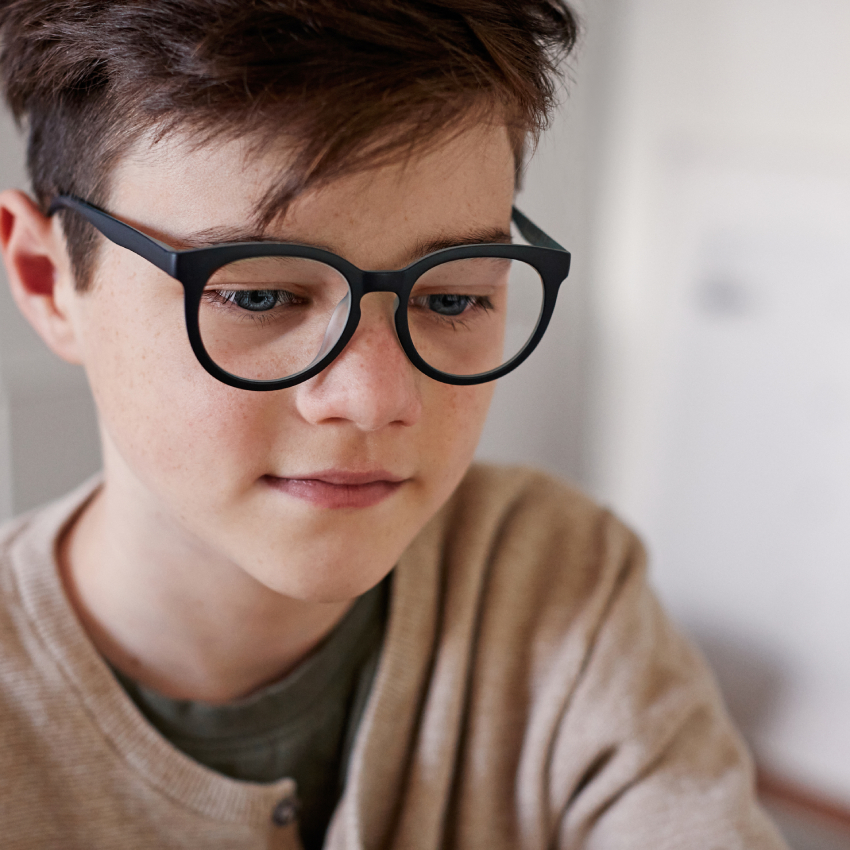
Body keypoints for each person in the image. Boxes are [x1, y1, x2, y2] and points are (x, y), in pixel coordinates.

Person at [0, 2, 788, 848]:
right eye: (260, 295)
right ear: (49, 282)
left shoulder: (551, 577)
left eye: (452, 297)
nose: (377, 398)